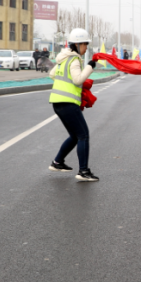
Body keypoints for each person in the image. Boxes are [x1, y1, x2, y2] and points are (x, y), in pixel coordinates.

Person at [48, 28, 99, 182]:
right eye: (85, 45)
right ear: (78, 44)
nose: (86, 48)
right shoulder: (74, 60)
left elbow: (52, 74)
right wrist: (90, 66)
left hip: (57, 103)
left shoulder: (63, 59)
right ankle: (83, 171)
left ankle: (58, 162)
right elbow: (78, 80)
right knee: (83, 135)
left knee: (75, 136)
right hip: (68, 103)